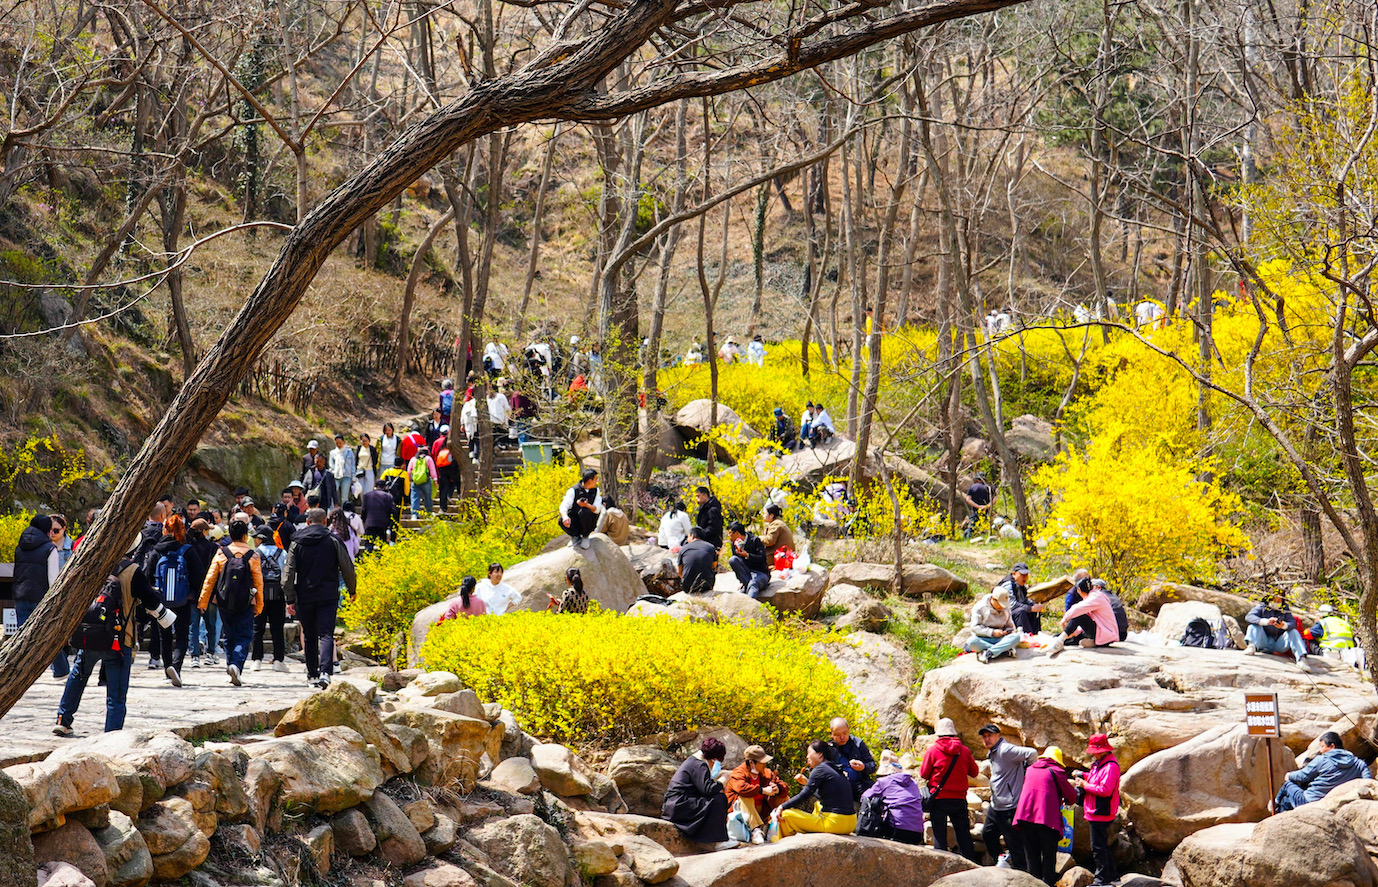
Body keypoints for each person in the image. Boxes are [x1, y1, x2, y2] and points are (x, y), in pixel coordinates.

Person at [53, 549, 175, 736]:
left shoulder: (94, 563)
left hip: (89, 634)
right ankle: (112, 734)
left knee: (77, 677)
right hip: (119, 638)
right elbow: (150, 601)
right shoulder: (132, 570)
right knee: (116, 693)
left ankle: (63, 719)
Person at [284, 508, 357, 689]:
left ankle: (312, 675)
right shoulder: (333, 540)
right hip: (328, 594)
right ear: (326, 521)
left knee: (309, 636)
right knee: (326, 634)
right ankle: (326, 672)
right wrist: (352, 589)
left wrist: (289, 598)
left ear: (308, 522)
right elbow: (347, 567)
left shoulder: (297, 542)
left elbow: (287, 574)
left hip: (304, 595)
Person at [198, 519, 264, 687]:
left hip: (224, 601)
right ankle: (236, 665)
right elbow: (258, 583)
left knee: (228, 635)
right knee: (244, 635)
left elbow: (210, 579)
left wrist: (203, 601)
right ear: (245, 536)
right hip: (246, 602)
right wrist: (259, 604)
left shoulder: (222, 553)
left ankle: (230, 666)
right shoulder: (253, 555)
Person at [144, 513, 205, 687]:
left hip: (161, 600)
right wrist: (194, 594)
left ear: (165, 529)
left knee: (164, 636)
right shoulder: (187, 550)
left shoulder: (156, 550)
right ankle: (176, 667)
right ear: (182, 530)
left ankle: (167, 669)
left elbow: (147, 576)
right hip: (183, 600)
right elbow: (199, 575)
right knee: (182, 635)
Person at [13, 513, 70, 678]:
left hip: (21, 595)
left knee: (22, 638)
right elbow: (53, 578)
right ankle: (61, 669)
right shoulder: (49, 549)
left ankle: (20, 672)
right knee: (48, 635)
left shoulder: (20, 547)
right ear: (46, 530)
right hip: (41, 597)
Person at [919, 718, 979, 861]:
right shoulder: (963, 751)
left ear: (938, 733)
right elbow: (975, 772)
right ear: (953, 733)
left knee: (939, 835)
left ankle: (941, 865)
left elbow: (923, 773)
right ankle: (969, 864)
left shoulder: (933, 750)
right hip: (959, 799)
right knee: (963, 835)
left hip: (938, 799)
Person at [1015, 747, 1077, 885]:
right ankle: (1047, 883)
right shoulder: (1057, 771)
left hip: (1025, 817)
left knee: (1032, 855)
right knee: (1049, 857)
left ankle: (1034, 883)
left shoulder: (1030, 769)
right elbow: (1072, 796)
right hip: (1046, 819)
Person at [979, 724, 1037, 869]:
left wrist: (1028, 773)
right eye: (984, 737)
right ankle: (1002, 859)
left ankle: (1020, 874)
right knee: (988, 833)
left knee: (1013, 842)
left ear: (998, 735)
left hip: (1009, 805)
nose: (987, 739)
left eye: (990, 736)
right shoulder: (993, 751)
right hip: (996, 804)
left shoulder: (1005, 750)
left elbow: (1032, 753)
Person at [662, 736, 736, 849]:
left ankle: (716, 837)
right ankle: (719, 841)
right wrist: (723, 781)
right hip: (679, 805)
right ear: (713, 759)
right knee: (719, 799)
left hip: (676, 805)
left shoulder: (693, 762)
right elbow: (708, 790)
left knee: (713, 800)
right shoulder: (699, 764)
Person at [774, 740, 858, 837]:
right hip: (850, 823)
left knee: (786, 815)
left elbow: (804, 795)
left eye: (809, 753)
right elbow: (825, 796)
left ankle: (786, 846)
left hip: (834, 823)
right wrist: (806, 783)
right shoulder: (835, 768)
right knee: (818, 804)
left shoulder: (820, 769)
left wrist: (782, 807)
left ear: (820, 755)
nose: (807, 757)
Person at [1273, 732, 1371, 812]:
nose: (1321, 750)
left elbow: (1303, 776)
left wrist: (1289, 775)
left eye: (1322, 746)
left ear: (1332, 746)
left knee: (1288, 785)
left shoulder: (1322, 760)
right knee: (1286, 801)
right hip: (1336, 803)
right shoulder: (1359, 764)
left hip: (1310, 801)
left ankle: (1274, 805)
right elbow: (1369, 783)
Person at [725, 745, 791, 844]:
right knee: (745, 797)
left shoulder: (766, 773)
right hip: (743, 812)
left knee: (784, 797)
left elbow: (784, 787)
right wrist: (762, 790)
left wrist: (778, 789)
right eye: (762, 762)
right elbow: (741, 788)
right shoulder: (738, 773)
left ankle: (785, 826)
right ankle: (755, 830)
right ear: (751, 762)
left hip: (761, 810)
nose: (765, 764)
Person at [248, 525, 289, 672]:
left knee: (257, 628)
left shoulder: (255, 554)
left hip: (260, 594)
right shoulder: (282, 552)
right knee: (277, 628)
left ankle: (257, 660)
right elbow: (286, 573)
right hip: (278, 595)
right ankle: (278, 660)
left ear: (260, 538)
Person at [859, 756, 926, 845]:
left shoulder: (884, 781)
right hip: (917, 833)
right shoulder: (913, 782)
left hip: (897, 830)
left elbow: (865, 798)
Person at [1048, 581, 1119, 657]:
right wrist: (1073, 633)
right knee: (1063, 637)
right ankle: (1065, 639)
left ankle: (1060, 641)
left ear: (1079, 590)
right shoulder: (1095, 596)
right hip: (1103, 632)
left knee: (1079, 615)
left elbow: (1077, 609)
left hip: (1105, 634)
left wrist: (1064, 619)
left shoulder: (1095, 598)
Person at [1245, 591, 1311, 671]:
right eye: (1274, 600)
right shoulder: (1262, 606)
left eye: (1279, 601)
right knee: (1253, 626)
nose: (1276, 603)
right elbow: (1249, 616)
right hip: (1263, 641)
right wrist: (1265, 622)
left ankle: (1301, 659)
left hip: (1278, 644)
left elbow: (1293, 623)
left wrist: (1284, 625)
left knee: (1293, 631)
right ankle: (1251, 646)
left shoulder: (1285, 609)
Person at [966, 587, 1022, 663]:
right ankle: (1003, 651)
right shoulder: (979, 607)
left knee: (1016, 637)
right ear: (993, 599)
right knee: (971, 641)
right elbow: (975, 628)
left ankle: (989, 652)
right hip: (984, 638)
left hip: (1001, 639)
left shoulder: (1006, 608)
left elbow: (1011, 627)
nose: (1002, 607)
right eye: (1000, 604)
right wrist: (992, 632)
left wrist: (1006, 631)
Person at [827, 717, 877, 800]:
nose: (842, 737)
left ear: (848, 730)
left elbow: (872, 766)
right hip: (839, 788)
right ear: (831, 734)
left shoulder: (858, 743)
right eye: (838, 735)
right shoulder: (828, 749)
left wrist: (863, 767)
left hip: (860, 785)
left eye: (845, 733)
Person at [559, 469, 603, 549]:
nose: (597, 482)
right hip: (575, 519)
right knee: (561, 519)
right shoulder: (573, 490)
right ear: (590, 481)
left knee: (585, 512)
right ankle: (575, 536)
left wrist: (587, 505)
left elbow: (597, 509)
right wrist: (565, 517)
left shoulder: (596, 491)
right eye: (596, 479)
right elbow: (564, 505)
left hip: (588, 521)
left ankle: (585, 536)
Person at [727, 521, 770, 599]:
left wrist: (747, 555)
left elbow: (762, 558)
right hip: (746, 573)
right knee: (733, 560)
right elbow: (738, 564)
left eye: (730, 533)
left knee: (753, 584)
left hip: (760, 572)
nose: (728, 536)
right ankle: (746, 583)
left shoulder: (754, 540)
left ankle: (749, 607)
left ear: (737, 533)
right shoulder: (734, 544)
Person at [999, 564, 1041, 635]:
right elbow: (1011, 604)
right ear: (1014, 574)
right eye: (1022, 575)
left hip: (1012, 613)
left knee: (1034, 612)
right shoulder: (1008, 584)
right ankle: (1028, 636)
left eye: (1026, 575)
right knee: (1021, 611)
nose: (1025, 577)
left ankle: (1035, 634)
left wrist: (1034, 605)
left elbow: (1024, 600)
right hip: (1002, 615)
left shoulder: (1020, 585)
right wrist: (1030, 608)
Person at [678, 527, 719, 595]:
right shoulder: (711, 547)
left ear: (692, 536)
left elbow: (679, 571)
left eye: (688, 537)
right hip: (707, 585)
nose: (687, 539)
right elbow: (714, 566)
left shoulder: (683, 549)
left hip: (688, 587)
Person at [431, 426, 460, 512]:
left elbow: (433, 454)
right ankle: (459, 496)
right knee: (458, 482)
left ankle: (442, 508)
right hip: (452, 467)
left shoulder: (437, 442)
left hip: (441, 468)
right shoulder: (452, 441)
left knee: (443, 488)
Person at [360, 482, 395, 547]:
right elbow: (393, 511)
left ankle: (368, 556)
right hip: (383, 523)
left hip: (369, 523)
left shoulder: (367, 495)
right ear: (384, 487)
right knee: (382, 545)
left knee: (369, 545)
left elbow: (363, 510)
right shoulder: (388, 496)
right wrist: (389, 523)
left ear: (375, 486)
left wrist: (364, 521)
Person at [408, 445, 439, 517]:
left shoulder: (413, 459)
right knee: (428, 497)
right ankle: (429, 513)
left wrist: (410, 479)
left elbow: (409, 471)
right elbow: (432, 470)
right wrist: (435, 479)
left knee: (415, 497)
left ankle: (414, 514)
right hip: (426, 481)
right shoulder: (428, 458)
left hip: (415, 481)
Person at [328, 434, 356, 505]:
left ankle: (344, 512)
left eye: (340, 442)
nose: (338, 444)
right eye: (337, 443)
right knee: (333, 494)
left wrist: (353, 476)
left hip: (346, 476)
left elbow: (352, 464)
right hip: (335, 476)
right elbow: (331, 465)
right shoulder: (333, 453)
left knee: (345, 497)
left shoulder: (349, 452)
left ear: (343, 442)